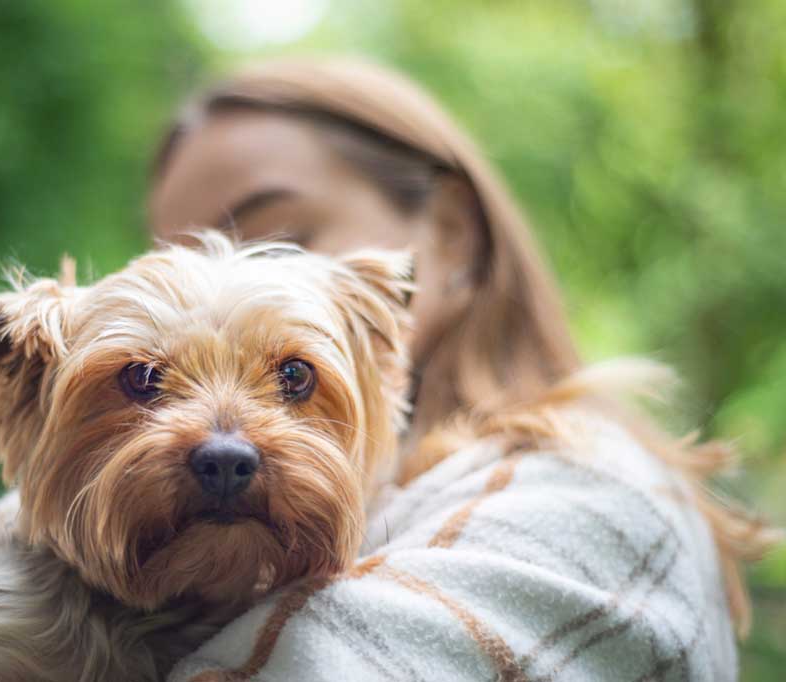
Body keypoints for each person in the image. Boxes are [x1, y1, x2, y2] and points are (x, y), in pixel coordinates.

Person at [149, 58, 777, 681]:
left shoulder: (581, 495)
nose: (220, 290)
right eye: (176, 267)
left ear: (450, 234)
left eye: (276, 243)